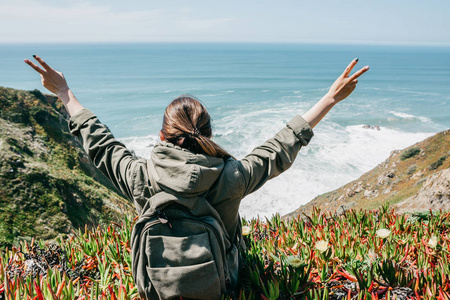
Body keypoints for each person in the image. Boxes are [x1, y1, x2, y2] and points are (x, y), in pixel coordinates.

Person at [25, 55, 369, 298]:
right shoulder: (231, 176)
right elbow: (279, 147)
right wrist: (329, 99)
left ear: (161, 136)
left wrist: (64, 93)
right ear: (208, 133)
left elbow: (101, 143)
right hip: (223, 285)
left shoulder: (139, 175)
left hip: (155, 288)